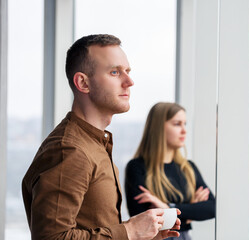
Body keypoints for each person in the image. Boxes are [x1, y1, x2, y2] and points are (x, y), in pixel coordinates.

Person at [22, 34, 181, 240]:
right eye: (115, 72)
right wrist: (130, 231)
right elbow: (51, 237)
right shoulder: (70, 150)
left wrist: (140, 234)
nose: (129, 82)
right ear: (83, 83)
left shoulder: (95, 142)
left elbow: (93, 226)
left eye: (128, 71)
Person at [125, 102, 215, 240]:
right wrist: (190, 211)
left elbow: (211, 208)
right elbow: (144, 221)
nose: (184, 130)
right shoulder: (137, 167)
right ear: (159, 128)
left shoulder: (188, 168)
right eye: (177, 124)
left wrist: (167, 207)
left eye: (185, 124)